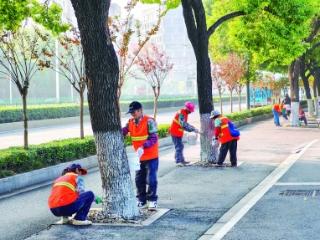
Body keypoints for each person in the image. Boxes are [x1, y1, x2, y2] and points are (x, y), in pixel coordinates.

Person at [122, 101, 159, 210]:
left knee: (151, 179)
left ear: (140, 110)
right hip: (138, 157)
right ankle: (141, 200)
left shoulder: (149, 121)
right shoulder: (130, 122)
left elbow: (154, 138)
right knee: (139, 179)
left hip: (151, 156)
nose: (132, 114)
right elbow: (124, 131)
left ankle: (152, 200)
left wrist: (143, 146)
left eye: (134, 112)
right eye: (131, 112)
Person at [169, 101, 199, 166]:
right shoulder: (181, 113)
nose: (191, 112)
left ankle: (181, 160)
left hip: (178, 132)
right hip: (175, 132)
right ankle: (178, 161)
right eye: (190, 110)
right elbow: (183, 124)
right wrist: (193, 129)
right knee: (179, 147)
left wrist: (193, 128)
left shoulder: (184, 113)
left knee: (180, 146)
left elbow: (184, 124)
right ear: (187, 109)